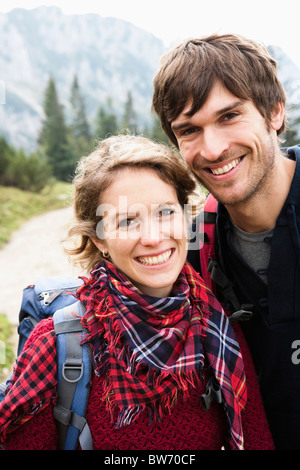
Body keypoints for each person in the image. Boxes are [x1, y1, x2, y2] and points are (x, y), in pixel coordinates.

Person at [0, 134, 273, 450]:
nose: (154, 237)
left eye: (166, 212)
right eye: (128, 221)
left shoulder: (219, 328)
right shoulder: (56, 346)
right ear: (99, 239)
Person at [152, 33, 300, 449]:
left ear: (274, 111)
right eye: (189, 130)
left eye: (229, 116)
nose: (213, 148)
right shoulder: (188, 250)